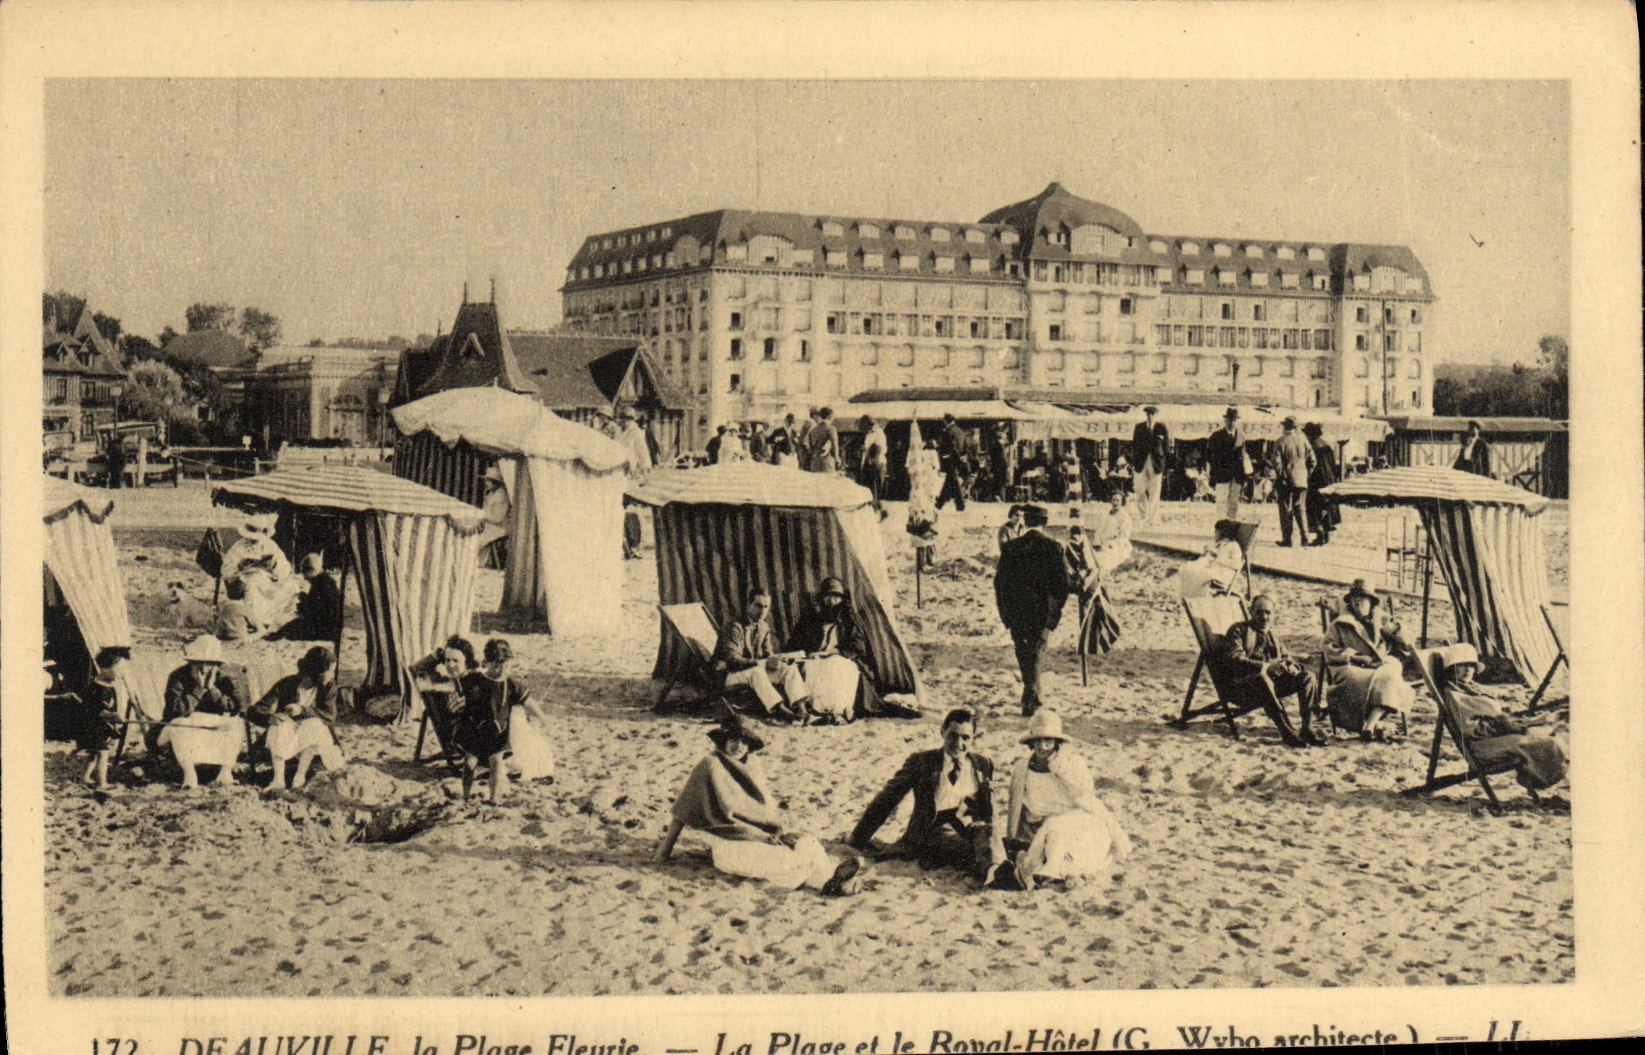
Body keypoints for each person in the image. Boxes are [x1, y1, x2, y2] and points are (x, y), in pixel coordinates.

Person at [657, 705, 864, 896]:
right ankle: (828, 883)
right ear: (723, 740)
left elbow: (764, 814)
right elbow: (681, 813)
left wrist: (779, 835)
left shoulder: (752, 766)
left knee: (808, 844)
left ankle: (832, 881)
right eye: (734, 739)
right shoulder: (709, 765)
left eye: (744, 741)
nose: (738, 745)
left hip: (762, 837)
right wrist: (662, 854)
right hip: (731, 842)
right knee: (788, 862)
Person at [848, 708, 1007, 884]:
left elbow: (989, 809)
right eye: (953, 735)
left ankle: (994, 870)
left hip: (970, 831)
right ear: (942, 732)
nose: (958, 743)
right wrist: (858, 837)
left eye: (966, 738)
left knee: (1005, 844)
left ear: (974, 738)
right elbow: (888, 798)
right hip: (931, 833)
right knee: (989, 848)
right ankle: (995, 873)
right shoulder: (922, 762)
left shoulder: (982, 765)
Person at [1004, 711, 1130, 891]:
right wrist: (1012, 840)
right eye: (1038, 741)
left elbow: (1086, 797)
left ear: (1057, 742)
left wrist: (1059, 768)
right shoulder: (1022, 768)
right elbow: (1016, 807)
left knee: (1057, 832)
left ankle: (1054, 869)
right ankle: (1047, 871)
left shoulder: (1072, 764)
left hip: (1078, 823)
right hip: (1038, 827)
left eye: (1048, 740)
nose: (1042, 746)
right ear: (1031, 743)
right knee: (1038, 846)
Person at [782, 576, 915, 723]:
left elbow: (857, 644)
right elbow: (797, 641)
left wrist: (836, 651)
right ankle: (817, 711)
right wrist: (807, 652)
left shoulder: (849, 618)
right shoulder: (812, 618)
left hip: (841, 656)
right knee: (812, 668)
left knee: (839, 667)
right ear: (822, 597)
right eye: (828, 596)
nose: (831, 601)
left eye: (836, 597)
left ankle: (838, 710)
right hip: (816, 658)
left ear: (841, 599)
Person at [1438, 644, 1567, 791]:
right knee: (1542, 743)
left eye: (1471, 665)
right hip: (1482, 746)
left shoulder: (1470, 688)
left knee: (1546, 736)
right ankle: (1545, 779)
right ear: (1451, 668)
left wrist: (1524, 723)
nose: (1468, 670)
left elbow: (1494, 717)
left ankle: (1542, 778)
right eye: (1462, 665)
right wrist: (1508, 725)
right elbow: (1470, 729)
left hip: (1494, 738)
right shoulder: (1455, 695)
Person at [1209, 594, 1321, 748]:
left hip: (1270, 687)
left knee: (1308, 677)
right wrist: (1266, 667)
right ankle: (1287, 733)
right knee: (1262, 678)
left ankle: (1307, 729)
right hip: (1242, 688)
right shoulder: (1239, 630)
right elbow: (1235, 659)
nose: (1264, 617)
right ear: (1251, 612)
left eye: (1268, 613)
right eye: (1259, 612)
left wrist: (1291, 666)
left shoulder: (1272, 634)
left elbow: (1286, 656)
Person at [452, 638, 552, 803]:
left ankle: (493, 798)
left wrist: (542, 717)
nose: (501, 670)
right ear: (486, 663)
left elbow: (528, 702)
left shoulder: (511, 685)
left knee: (497, 764)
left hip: (498, 732)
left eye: (505, 665)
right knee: (469, 763)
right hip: (476, 730)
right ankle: (466, 795)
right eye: (497, 665)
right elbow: (460, 687)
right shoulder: (476, 680)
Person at [995, 504, 1071, 717]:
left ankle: (1029, 694)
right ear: (1045, 523)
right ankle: (1033, 697)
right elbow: (1062, 586)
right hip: (1041, 613)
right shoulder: (1054, 548)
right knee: (1036, 653)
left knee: (1023, 652)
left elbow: (1000, 584)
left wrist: (1006, 614)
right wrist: (1053, 613)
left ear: (1025, 522)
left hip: (1017, 611)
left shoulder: (1011, 548)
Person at [1324, 580, 1413, 741]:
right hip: (1352, 666)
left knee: (1392, 671)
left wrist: (1393, 629)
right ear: (1349, 601)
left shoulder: (1382, 619)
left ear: (1371, 602)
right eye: (1354, 598)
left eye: (1363, 598)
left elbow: (1406, 643)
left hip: (1379, 664)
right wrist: (1354, 656)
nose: (1358, 601)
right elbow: (1329, 649)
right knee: (1383, 680)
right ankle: (1375, 723)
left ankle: (1370, 724)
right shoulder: (1339, 624)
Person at [250, 645, 347, 790]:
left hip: (312, 736)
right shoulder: (288, 684)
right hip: (287, 735)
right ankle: (278, 780)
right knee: (279, 725)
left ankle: (299, 776)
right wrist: (270, 718)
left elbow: (329, 716)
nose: (332, 675)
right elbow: (255, 710)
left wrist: (302, 710)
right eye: (329, 671)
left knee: (314, 724)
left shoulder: (328, 687)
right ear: (317, 672)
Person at [156, 634, 247, 788]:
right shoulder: (178, 677)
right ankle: (189, 774)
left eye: (209, 664)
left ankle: (225, 773)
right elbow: (177, 711)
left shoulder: (223, 678)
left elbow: (235, 708)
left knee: (236, 725)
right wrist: (198, 689)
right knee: (180, 726)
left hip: (209, 729)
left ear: (216, 664)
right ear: (191, 662)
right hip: (178, 727)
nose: (204, 668)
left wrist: (212, 689)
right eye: (199, 663)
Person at [711, 588, 810, 719]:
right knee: (757, 671)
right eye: (758, 605)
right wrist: (762, 662)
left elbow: (767, 653)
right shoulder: (734, 627)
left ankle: (800, 708)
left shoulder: (763, 627)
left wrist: (778, 660)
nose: (762, 611)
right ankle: (778, 709)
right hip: (728, 674)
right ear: (748, 605)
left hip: (751, 671)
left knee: (788, 669)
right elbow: (732, 660)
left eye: (765, 607)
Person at [221, 514, 296, 631]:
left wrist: (273, 565)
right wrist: (240, 567)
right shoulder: (238, 548)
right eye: (251, 538)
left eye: (256, 538)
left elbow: (285, 570)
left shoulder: (270, 546)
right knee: (253, 583)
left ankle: (270, 617)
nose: (253, 541)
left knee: (292, 585)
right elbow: (226, 571)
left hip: (268, 583)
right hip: (245, 583)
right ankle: (256, 620)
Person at [410, 635, 477, 767]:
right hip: (463, 738)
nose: (450, 665)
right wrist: (440, 654)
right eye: (447, 660)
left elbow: (417, 669)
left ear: (467, 662)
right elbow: (416, 669)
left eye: (455, 661)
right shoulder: (458, 684)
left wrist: (438, 656)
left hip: (461, 733)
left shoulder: (455, 683)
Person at [75, 647, 131, 790]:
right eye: (117, 669)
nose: (120, 673)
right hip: (93, 727)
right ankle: (102, 783)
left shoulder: (107, 687)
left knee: (94, 754)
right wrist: (116, 717)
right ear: (105, 669)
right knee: (103, 754)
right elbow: (99, 712)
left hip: (99, 726)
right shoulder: (97, 690)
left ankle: (85, 777)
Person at [273, 553, 344, 642]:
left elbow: (315, 611)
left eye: (304, 572)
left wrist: (303, 602)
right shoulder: (324, 581)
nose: (304, 576)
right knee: (291, 626)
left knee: (291, 628)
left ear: (312, 570)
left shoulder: (321, 584)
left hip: (325, 629)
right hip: (330, 628)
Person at [1268, 417, 1315, 548]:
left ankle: (1287, 539)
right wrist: (1305, 474)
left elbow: (1276, 462)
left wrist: (1281, 476)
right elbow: (1312, 460)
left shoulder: (1280, 442)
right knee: (1300, 508)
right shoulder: (1303, 441)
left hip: (1285, 480)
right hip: (1301, 480)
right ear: (1296, 428)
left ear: (1285, 427)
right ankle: (1305, 538)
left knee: (1285, 509)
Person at [1175, 518, 1245, 600]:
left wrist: (1217, 557)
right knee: (1188, 570)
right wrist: (1208, 553)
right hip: (1214, 569)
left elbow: (1236, 564)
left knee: (1200, 575)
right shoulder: (1220, 544)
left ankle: (1197, 599)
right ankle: (1189, 598)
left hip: (1225, 573)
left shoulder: (1234, 546)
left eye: (1216, 532)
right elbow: (1213, 557)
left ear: (1223, 532)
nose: (1214, 534)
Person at [1205, 407, 1248, 521]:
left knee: (1234, 503)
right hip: (1222, 475)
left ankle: (1231, 526)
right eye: (1229, 420)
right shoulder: (1216, 436)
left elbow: (1243, 457)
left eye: (1234, 420)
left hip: (1236, 476)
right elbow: (1209, 455)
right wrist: (1217, 468)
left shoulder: (1241, 436)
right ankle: (1222, 527)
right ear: (1225, 420)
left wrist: (1243, 476)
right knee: (1221, 502)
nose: (1232, 423)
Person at [1130, 406, 1170, 526]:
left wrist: (1163, 464)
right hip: (1141, 463)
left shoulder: (1161, 427)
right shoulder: (1139, 427)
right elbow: (1135, 445)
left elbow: (1166, 447)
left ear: (1156, 415)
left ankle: (1152, 519)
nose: (1150, 416)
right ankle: (1143, 516)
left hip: (1156, 464)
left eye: (1152, 414)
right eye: (1148, 414)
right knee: (1139, 489)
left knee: (1155, 492)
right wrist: (1134, 461)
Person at [1303, 423, 1340, 546]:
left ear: (1311, 435)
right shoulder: (1327, 446)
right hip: (1328, 482)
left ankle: (1320, 535)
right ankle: (1326, 533)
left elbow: (1311, 465)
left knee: (1316, 509)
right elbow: (1334, 466)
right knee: (1325, 509)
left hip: (1316, 482)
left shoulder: (1313, 447)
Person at [1090, 490, 1133, 576]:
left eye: (1118, 500)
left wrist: (1111, 545)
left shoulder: (1125, 517)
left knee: (1107, 559)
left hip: (1117, 546)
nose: (1115, 503)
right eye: (1113, 500)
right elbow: (1098, 531)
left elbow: (1123, 536)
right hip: (1103, 544)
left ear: (1122, 502)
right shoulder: (1105, 515)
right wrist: (1097, 543)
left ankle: (1104, 572)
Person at [935, 413, 968, 511]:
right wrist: (962, 459)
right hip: (959, 459)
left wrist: (954, 459)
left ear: (946, 421)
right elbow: (965, 447)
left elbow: (953, 448)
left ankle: (960, 505)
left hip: (950, 460)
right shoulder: (960, 431)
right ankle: (940, 503)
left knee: (953, 482)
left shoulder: (948, 432)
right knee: (949, 482)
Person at [857, 415, 888, 516]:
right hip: (868, 464)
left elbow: (878, 450)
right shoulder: (868, 434)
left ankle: (876, 511)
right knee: (869, 489)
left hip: (877, 464)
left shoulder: (879, 433)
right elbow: (866, 450)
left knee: (875, 488)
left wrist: (873, 462)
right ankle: (872, 511)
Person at [214, 577, 258, 642]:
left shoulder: (223, 606)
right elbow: (255, 625)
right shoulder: (244, 608)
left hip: (221, 637)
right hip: (237, 637)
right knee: (261, 632)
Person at [806, 407, 839, 473]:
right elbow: (835, 444)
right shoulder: (831, 429)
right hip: (827, 462)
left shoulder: (813, 430)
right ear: (830, 417)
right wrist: (837, 458)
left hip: (814, 462)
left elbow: (809, 448)